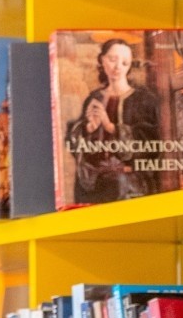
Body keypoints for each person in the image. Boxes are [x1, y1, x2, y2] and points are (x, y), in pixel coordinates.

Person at [66, 36, 160, 204]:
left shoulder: (144, 99)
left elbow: (153, 143)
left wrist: (110, 127)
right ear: (102, 60)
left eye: (124, 63)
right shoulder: (93, 99)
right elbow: (76, 146)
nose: (118, 67)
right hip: (96, 177)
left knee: (118, 184)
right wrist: (89, 129)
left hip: (132, 177)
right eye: (112, 59)